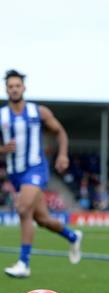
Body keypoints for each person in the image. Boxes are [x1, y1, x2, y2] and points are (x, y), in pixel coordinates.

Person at [1, 69, 83, 278]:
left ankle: (24, 263)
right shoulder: (2, 116)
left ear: (24, 88)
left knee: (22, 209)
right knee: (43, 219)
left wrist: (63, 155)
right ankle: (73, 236)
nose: (14, 89)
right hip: (15, 173)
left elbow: (60, 132)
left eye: (17, 86)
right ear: (6, 89)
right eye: (10, 86)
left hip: (35, 168)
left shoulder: (38, 112)